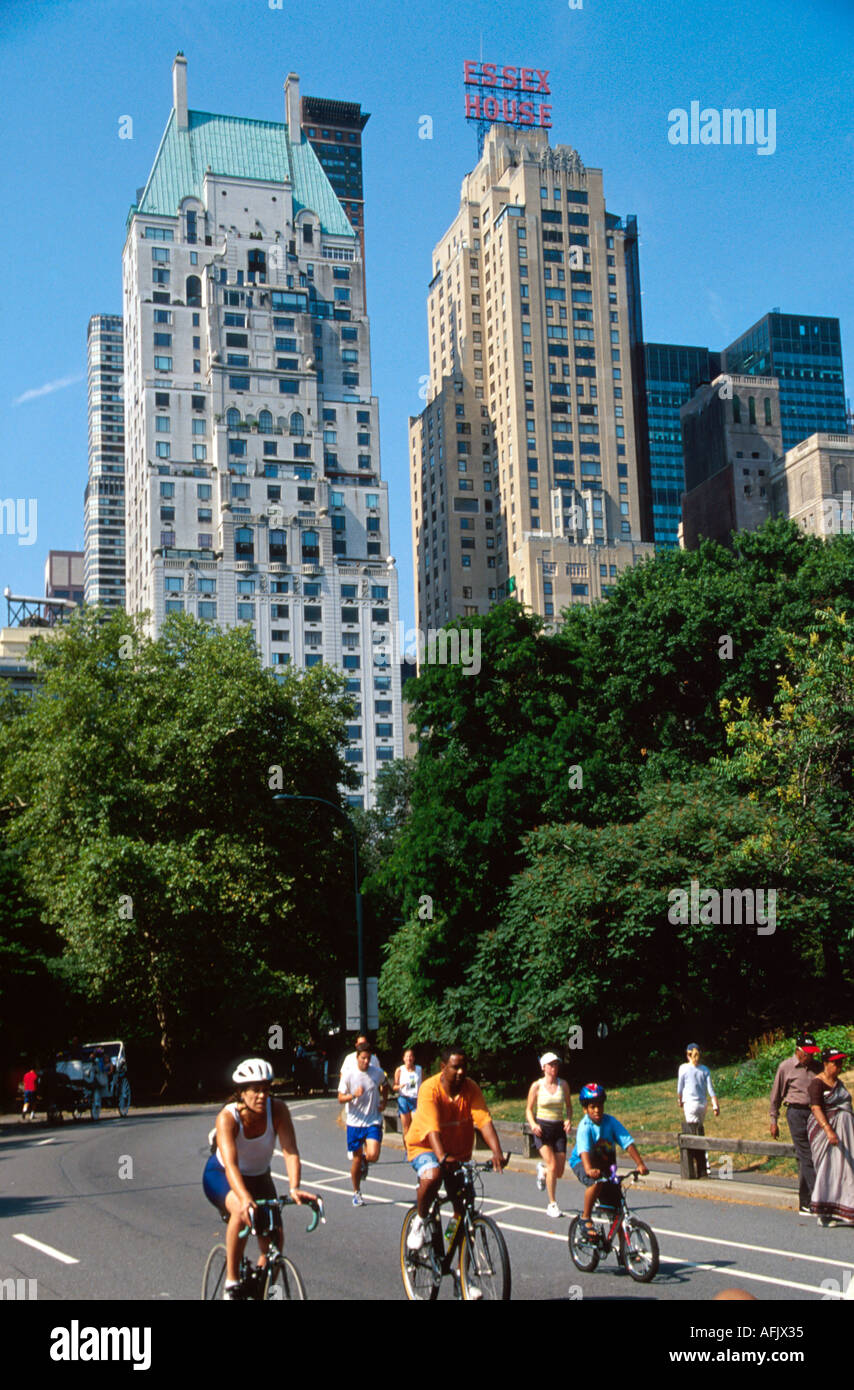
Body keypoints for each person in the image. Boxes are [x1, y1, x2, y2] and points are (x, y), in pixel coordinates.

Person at [202, 1058, 317, 1300]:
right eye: (255, 1090)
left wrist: (295, 1187)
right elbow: (231, 1165)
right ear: (241, 1093)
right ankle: (231, 1284)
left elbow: (290, 1150)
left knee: (275, 1238)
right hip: (222, 1175)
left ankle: (259, 1288)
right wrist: (244, 1198)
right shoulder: (228, 1117)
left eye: (266, 1089)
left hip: (259, 1176)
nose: (262, 1095)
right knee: (242, 1213)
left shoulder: (278, 1110)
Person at [405, 1045, 505, 1252]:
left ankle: (457, 1260)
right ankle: (420, 1221)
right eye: (455, 1067)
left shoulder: (471, 1088)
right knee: (432, 1176)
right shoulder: (429, 1089)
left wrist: (497, 1151)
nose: (461, 1072)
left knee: (463, 1209)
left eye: (464, 1067)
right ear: (443, 1067)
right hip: (426, 1148)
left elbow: (483, 1120)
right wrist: (441, 1156)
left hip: (456, 1154)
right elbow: (431, 1128)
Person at [569, 1082, 648, 1242]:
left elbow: (627, 1142)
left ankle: (625, 1251)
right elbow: (583, 1151)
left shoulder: (610, 1122)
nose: (597, 1110)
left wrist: (640, 1164)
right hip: (582, 1162)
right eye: (592, 1107)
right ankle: (585, 1218)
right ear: (585, 1109)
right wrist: (589, 1169)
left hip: (605, 1165)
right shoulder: (585, 1126)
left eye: (599, 1106)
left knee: (617, 1209)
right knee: (595, 1183)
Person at [769, 1030, 822, 1214]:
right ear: (798, 1051)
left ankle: (805, 1202)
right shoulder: (786, 1067)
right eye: (808, 1053)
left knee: (813, 1155)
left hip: (815, 1113)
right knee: (807, 1155)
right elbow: (775, 1096)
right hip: (796, 1113)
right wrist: (773, 1120)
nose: (810, 1056)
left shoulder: (818, 1067)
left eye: (813, 1053)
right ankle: (818, 1198)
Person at [807, 1046, 854, 1228]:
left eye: (841, 1063)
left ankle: (845, 1209)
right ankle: (824, 1213)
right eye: (836, 1063)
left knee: (846, 1170)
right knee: (828, 1171)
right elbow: (816, 1107)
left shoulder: (839, 1084)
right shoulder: (817, 1083)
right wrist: (828, 1130)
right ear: (826, 1064)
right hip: (826, 1135)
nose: (839, 1066)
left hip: (846, 1136)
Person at [338, 1044, 388, 1206]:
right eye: (363, 1058)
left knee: (373, 1154)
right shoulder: (349, 1075)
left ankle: (366, 1162)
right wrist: (353, 1095)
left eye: (368, 1058)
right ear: (357, 1058)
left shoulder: (377, 1072)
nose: (366, 1061)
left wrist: (384, 1102)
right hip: (354, 1123)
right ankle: (356, 1192)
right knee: (356, 1160)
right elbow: (340, 1098)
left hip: (372, 1120)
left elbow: (385, 1084)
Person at [525, 1051, 573, 1217]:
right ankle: (552, 1204)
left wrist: (568, 1120)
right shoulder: (536, 1086)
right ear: (544, 1067)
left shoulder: (563, 1085)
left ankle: (543, 1171)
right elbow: (528, 1110)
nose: (554, 1067)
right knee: (553, 1165)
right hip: (542, 1129)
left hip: (558, 1129)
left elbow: (568, 1106)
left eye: (556, 1064)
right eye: (551, 1065)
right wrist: (533, 1125)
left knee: (558, 1172)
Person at [677, 1044, 720, 1178]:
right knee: (700, 1132)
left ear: (687, 1054)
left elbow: (680, 1088)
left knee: (692, 1136)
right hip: (703, 1104)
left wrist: (679, 1100)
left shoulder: (683, 1068)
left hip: (690, 1104)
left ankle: (700, 1166)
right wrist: (715, 1105)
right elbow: (711, 1090)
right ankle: (704, 1164)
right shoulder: (704, 1069)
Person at [393, 1048, 423, 1142]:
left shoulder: (419, 1069)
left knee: (415, 1125)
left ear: (413, 1058)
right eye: (407, 1056)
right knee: (406, 1127)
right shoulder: (400, 1070)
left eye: (410, 1056)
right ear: (404, 1058)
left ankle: (414, 1146)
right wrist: (400, 1086)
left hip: (415, 1099)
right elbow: (394, 1087)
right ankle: (407, 1150)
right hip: (404, 1099)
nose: (409, 1058)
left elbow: (423, 1083)